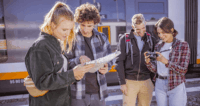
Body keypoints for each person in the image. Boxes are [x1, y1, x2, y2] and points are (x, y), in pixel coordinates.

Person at [24, 2, 94, 106]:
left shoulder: (56, 44)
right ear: (53, 25)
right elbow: (43, 82)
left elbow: (60, 72)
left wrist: (76, 75)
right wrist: (72, 74)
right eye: (64, 29)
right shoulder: (41, 47)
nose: (67, 33)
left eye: (70, 30)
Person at [66, 3, 113, 106]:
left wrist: (107, 67)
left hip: (99, 92)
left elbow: (109, 59)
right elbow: (64, 64)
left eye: (89, 26)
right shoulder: (71, 38)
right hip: (78, 93)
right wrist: (78, 60)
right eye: (83, 25)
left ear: (95, 24)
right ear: (78, 22)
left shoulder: (102, 38)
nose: (85, 29)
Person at [144, 17, 190, 106]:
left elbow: (183, 70)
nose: (161, 35)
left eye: (163, 32)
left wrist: (166, 62)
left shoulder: (182, 45)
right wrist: (148, 62)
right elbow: (155, 70)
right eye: (159, 33)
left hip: (175, 84)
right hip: (159, 84)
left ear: (172, 30)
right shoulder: (158, 46)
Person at [115, 13, 157, 106]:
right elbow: (119, 62)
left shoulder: (151, 40)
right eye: (138, 29)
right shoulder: (125, 40)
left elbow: (156, 60)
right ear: (132, 26)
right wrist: (122, 83)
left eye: (143, 28)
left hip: (146, 81)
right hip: (130, 82)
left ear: (145, 24)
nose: (141, 32)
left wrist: (153, 81)